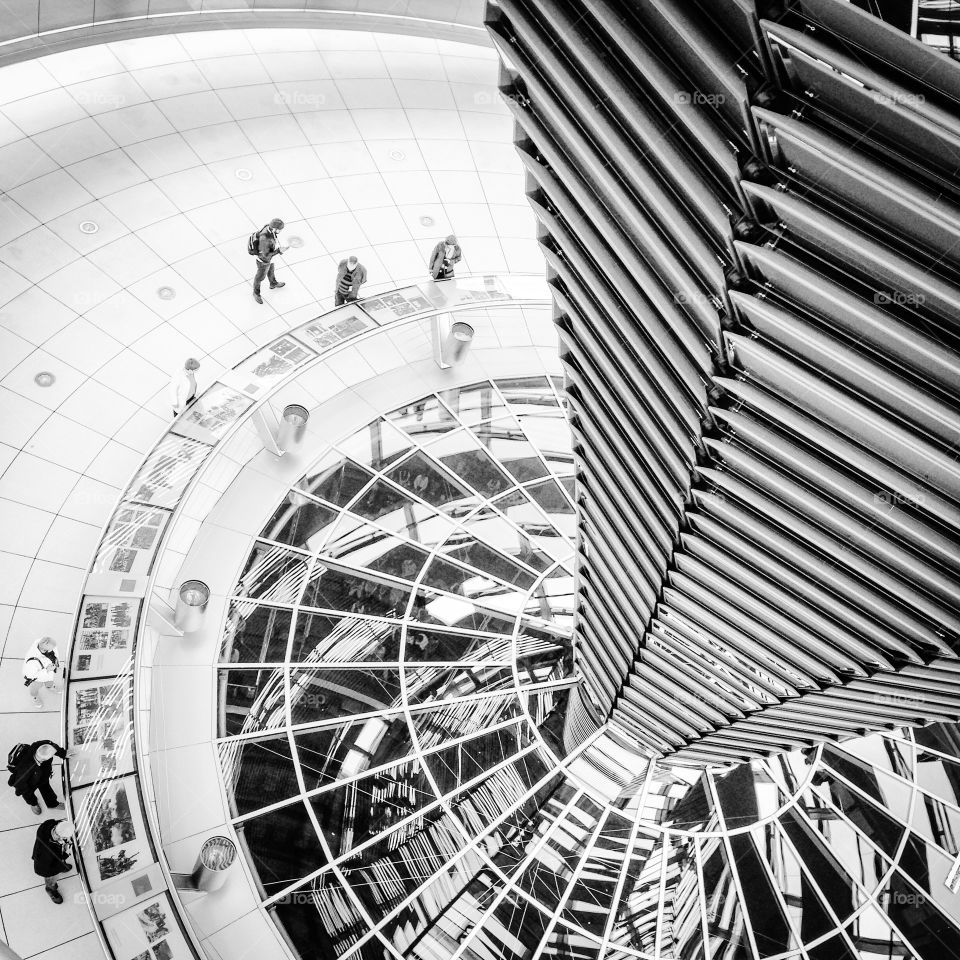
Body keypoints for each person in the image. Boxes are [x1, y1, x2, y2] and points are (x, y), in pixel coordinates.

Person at [9, 740, 69, 815]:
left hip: (42, 774)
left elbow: (52, 746)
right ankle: (33, 803)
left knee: (45, 785)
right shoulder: (25, 770)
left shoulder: (44, 747)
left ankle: (52, 804)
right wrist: (25, 790)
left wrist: (63, 753)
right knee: (28, 794)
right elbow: (19, 785)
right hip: (29, 780)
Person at [32, 819, 74, 903]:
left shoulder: (48, 824)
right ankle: (50, 888)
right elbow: (43, 870)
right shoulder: (46, 853)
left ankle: (62, 865)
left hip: (56, 856)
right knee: (51, 879)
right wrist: (65, 855)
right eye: (57, 835)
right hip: (47, 867)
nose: (56, 836)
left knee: (61, 859)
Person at [252, 217, 288, 304]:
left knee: (271, 270)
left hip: (270, 257)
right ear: (275, 228)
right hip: (263, 261)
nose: (280, 231)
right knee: (260, 277)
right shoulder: (264, 238)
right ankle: (256, 293)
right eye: (280, 229)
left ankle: (273, 283)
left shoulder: (269, 228)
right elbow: (265, 255)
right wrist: (279, 251)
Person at [23, 636, 61, 709]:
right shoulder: (32, 661)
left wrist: (56, 664)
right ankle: (34, 696)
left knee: (49, 681)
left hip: (49, 673)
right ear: (44, 650)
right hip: (37, 679)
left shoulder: (47, 645)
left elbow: (54, 655)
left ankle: (50, 686)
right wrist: (47, 670)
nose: (53, 650)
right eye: (51, 649)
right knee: (35, 688)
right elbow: (31, 675)